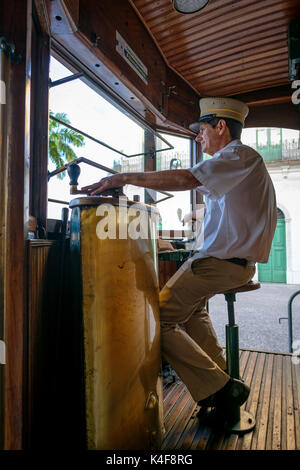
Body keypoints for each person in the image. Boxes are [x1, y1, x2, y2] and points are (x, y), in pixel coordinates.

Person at [82, 97, 277, 424]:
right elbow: (233, 211)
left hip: (220, 264)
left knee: (159, 319)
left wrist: (124, 179)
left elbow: (188, 179)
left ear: (220, 127)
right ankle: (225, 378)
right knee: (192, 311)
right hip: (233, 263)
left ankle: (220, 388)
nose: (199, 138)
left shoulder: (237, 155)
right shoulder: (239, 164)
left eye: (202, 130)